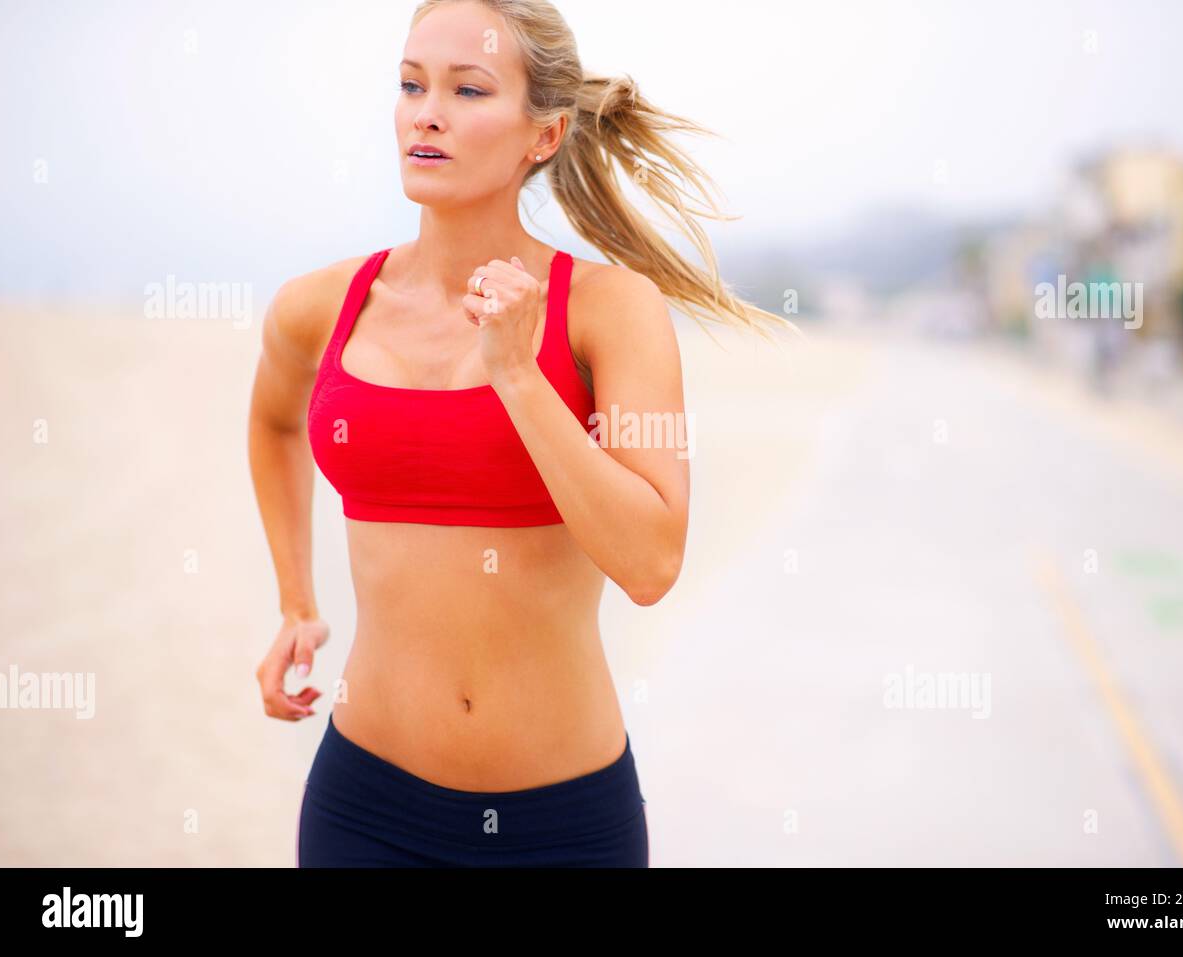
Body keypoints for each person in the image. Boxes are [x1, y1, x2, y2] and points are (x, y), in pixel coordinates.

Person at [246, 0, 794, 868]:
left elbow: (651, 561)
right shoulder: (320, 307)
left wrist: (516, 374)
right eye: (410, 85)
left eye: (468, 90)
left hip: (563, 826)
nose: (427, 112)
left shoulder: (611, 312)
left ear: (545, 136)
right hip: (364, 807)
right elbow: (275, 421)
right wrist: (295, 603)